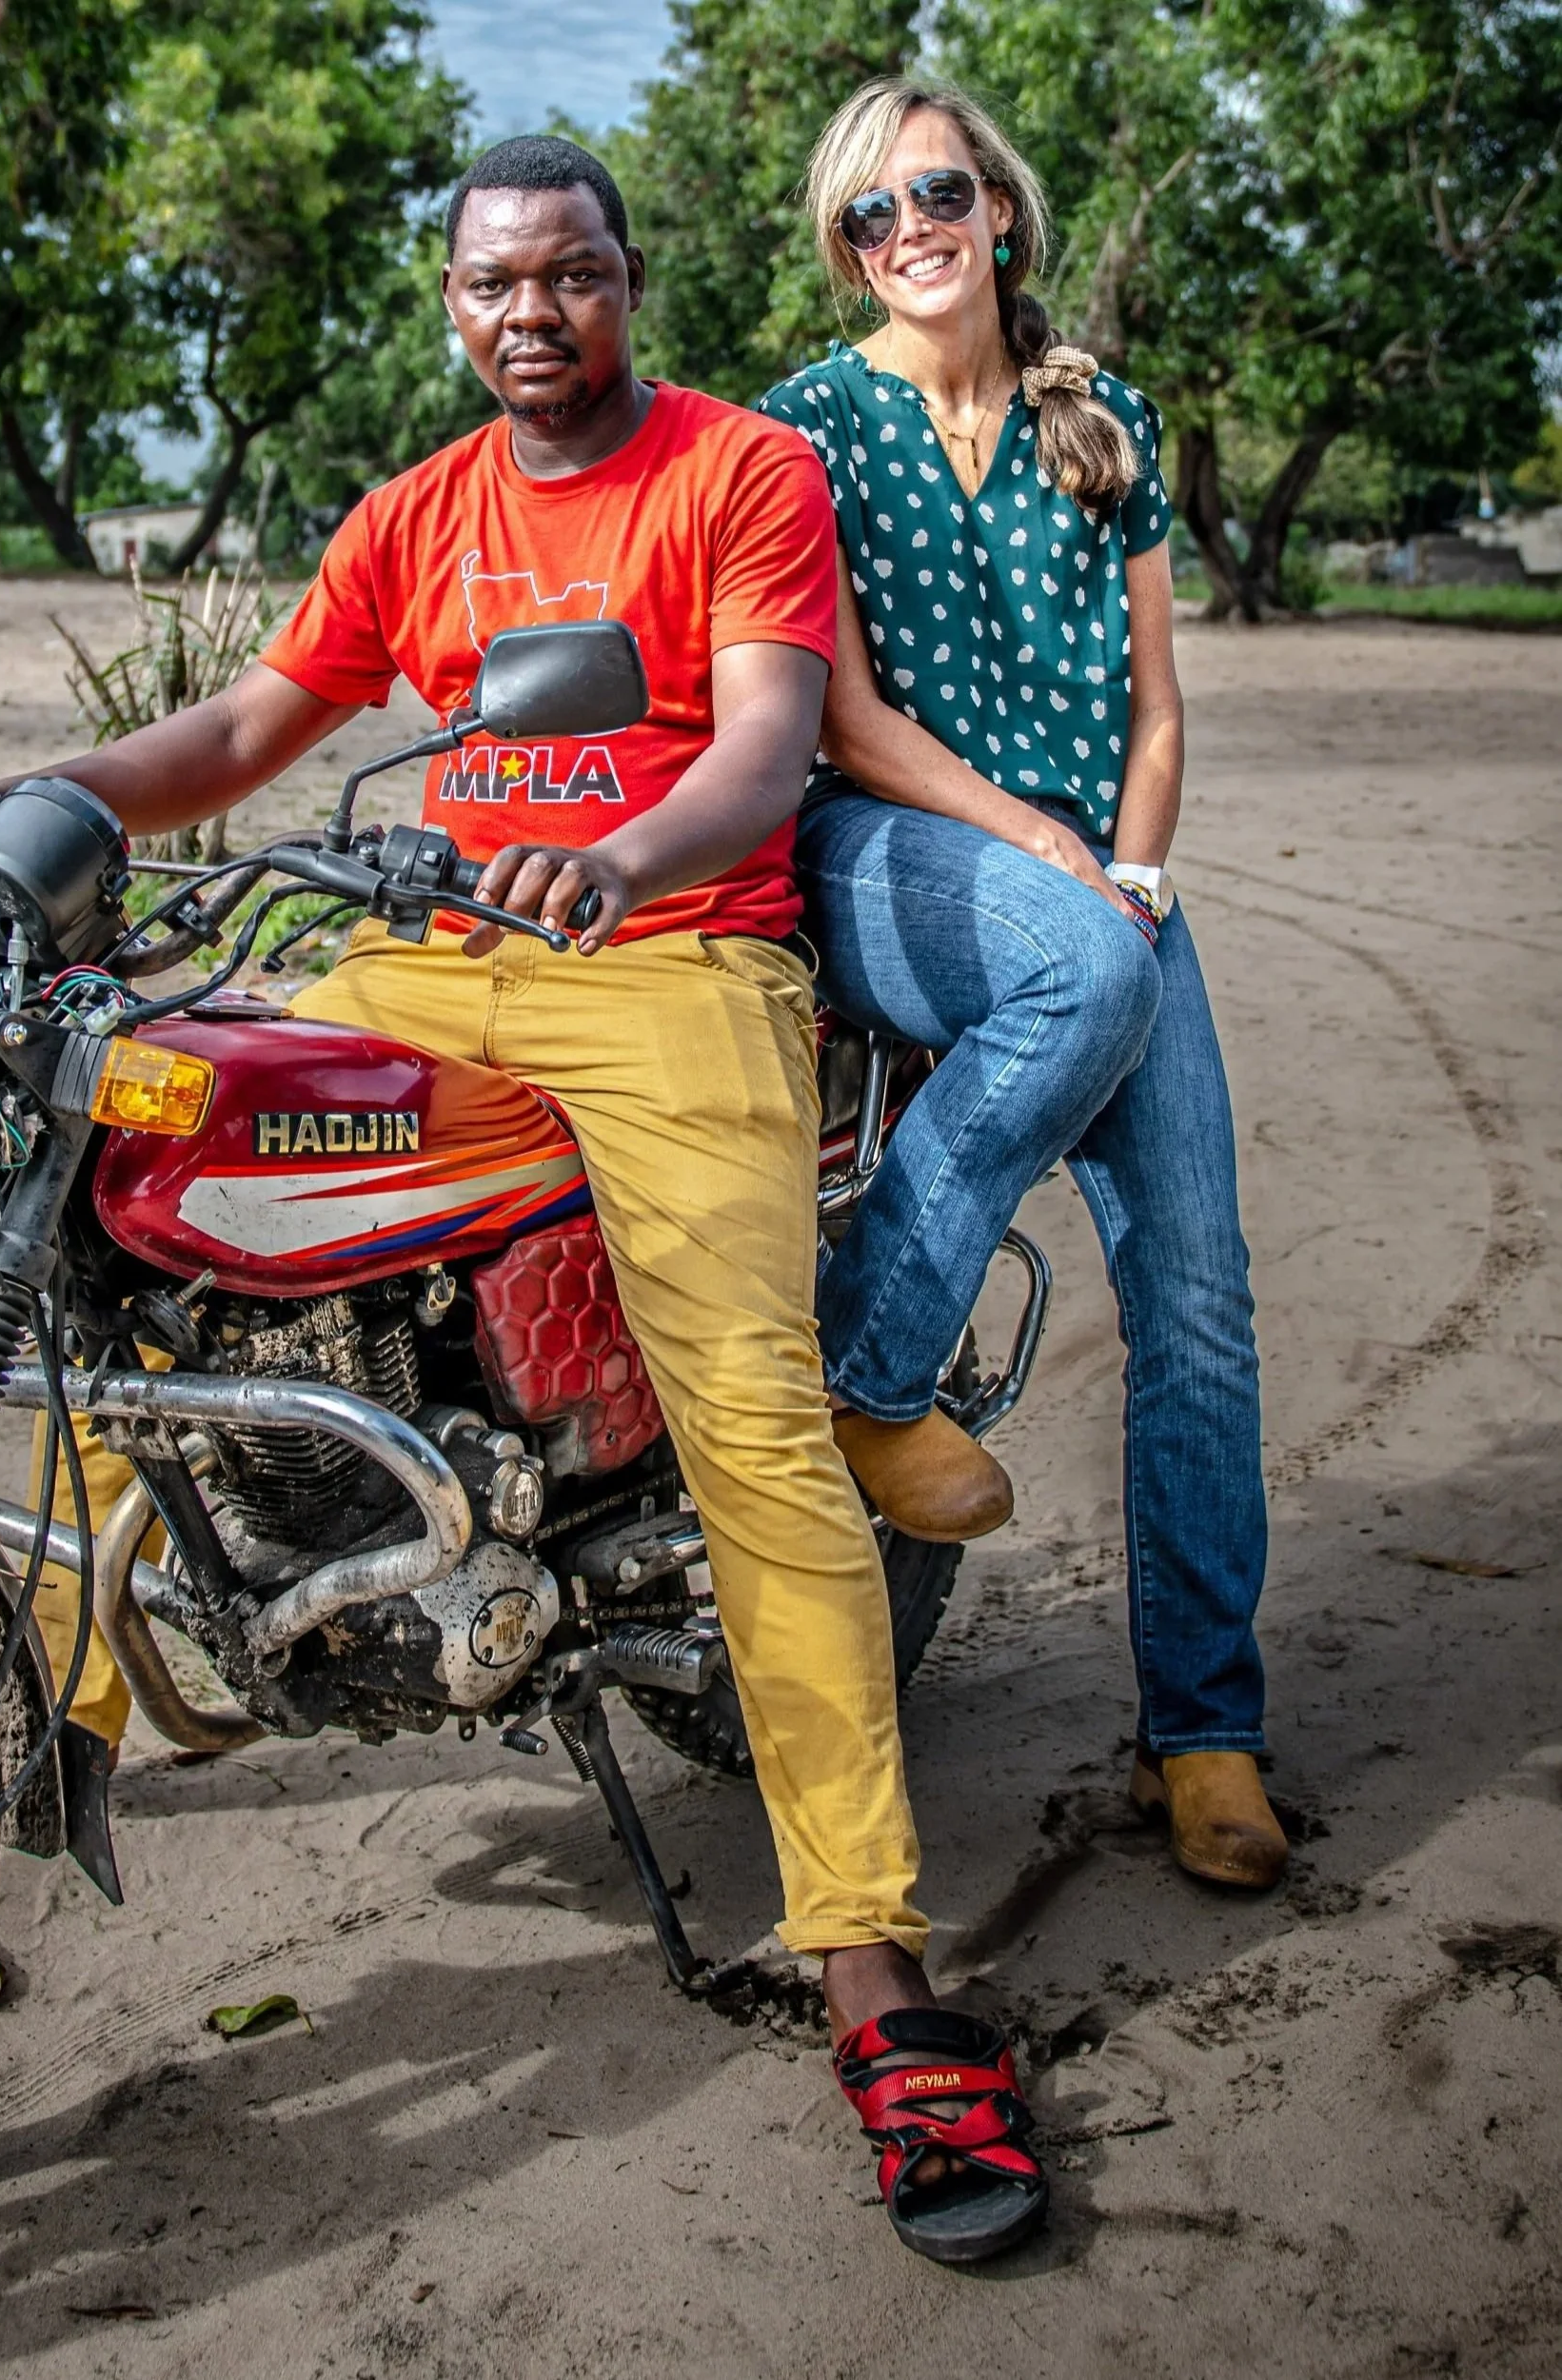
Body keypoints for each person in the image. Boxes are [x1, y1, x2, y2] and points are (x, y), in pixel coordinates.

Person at [20, 132, 1048, 2264]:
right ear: (452, 301)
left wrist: (627, 859)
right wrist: (30, 799)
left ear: (624, 282)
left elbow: (765, 743)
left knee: (756, 1424)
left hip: (675, 957)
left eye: (565, 276)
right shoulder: (413, 510)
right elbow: (236, 727)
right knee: (103, 1210)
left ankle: (867, 1956)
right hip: (437, 952)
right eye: (491, 282)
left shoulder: (737, 470)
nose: (527, 313)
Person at [759, 81, 1283, 1893]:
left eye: (936, 194)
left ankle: (1205, 1729)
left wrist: (1129, 872)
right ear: (846, 249)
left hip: (1094, 884)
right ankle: (873, 1368)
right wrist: (1045, 858)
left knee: (1200, 1307)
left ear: (998, 212)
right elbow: (838, 712)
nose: (905, 229)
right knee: (1077, 958)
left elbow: (1154, 710)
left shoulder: (1103, 417)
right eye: (866, 214)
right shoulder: (808, 426)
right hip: (891, 846)